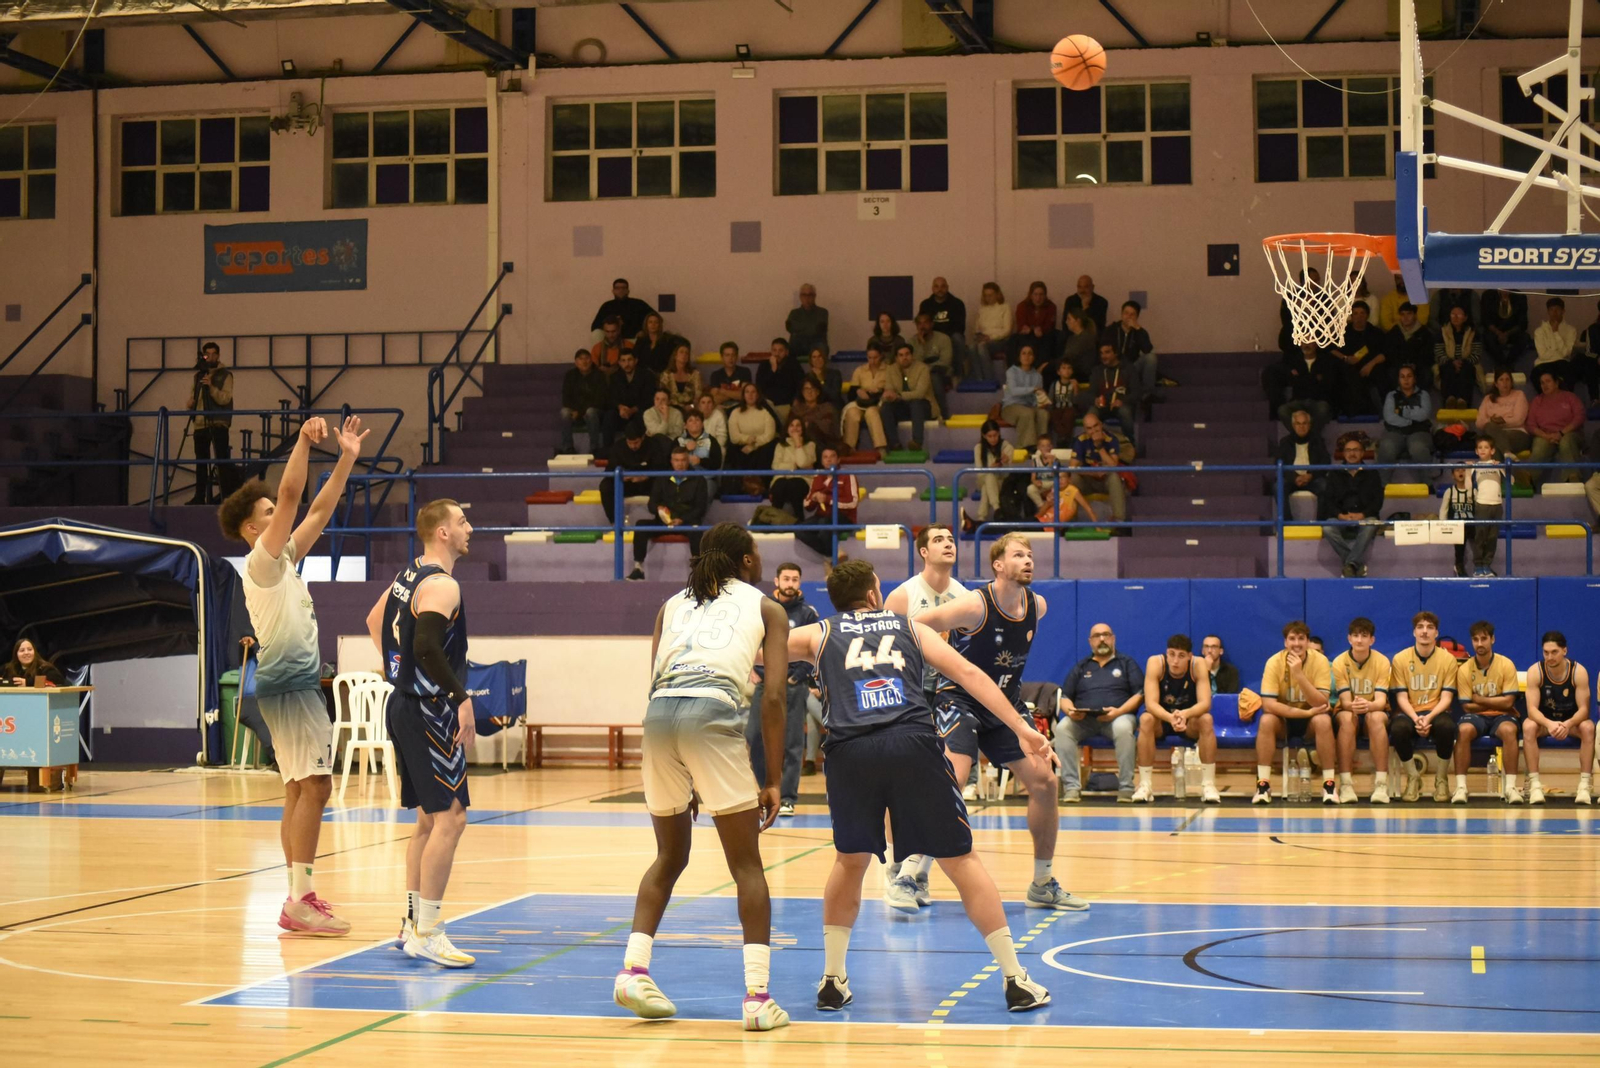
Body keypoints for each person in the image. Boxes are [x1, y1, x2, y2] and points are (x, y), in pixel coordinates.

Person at [791, 558, 1052, 1013]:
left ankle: (833, 979)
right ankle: (1015, 979)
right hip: (911, 744)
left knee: (849, 863)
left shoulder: (818, 633)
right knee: (961, 861)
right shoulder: (908, 627)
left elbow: (754, 649)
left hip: (850, 753)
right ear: (873, 593)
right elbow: (971, 675)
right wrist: (1022, 728)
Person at [612, 523, 792, 1031]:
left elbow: (654, 681)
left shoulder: (670, 605)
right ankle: (758, 999)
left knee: (669, 855)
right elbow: (775, 698)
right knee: (746, 867)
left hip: (658, 719)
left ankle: (633, 970)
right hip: (711, 717)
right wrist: (773, 778)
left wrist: (684, 772)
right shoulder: (766, 607)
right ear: (750, 562)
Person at [220, 414, 368, 938]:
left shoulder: (283, 561)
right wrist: (304, 444)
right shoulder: (261, 561)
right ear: (253, 529)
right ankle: (300, 899)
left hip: (283, 687)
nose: (281, 515)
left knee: (297, 789)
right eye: (268, 514)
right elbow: (289, 494)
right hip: (290, 686)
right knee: (318, 786)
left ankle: (295, 895)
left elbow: (320, 507)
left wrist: (346, 455)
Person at [916, 535, 1083, 909]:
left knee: (1044, 781)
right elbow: (916, 624)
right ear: (998, 565)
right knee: (954, 777)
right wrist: (941, 655)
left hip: (1004, 705)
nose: (1028, 561)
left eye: (1030, 555)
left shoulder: (1037, 606)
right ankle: (915, 871)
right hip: (958, 697)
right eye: (1018, 555)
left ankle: (1043, 882)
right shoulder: (975, 605)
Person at [363, 498, 476, 966]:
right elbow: (428, 644)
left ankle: (412, 923)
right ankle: (428, 930)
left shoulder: (408, 575)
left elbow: (374, 622)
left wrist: (398, 669)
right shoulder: (443, 585)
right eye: (462, 521)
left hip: (403, 704)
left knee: (428, 822)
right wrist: (460, 697)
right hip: (430, 709)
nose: (470, 528)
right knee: (451, 818)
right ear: (443, 533)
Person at [883, 523, 967, 910]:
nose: (947, 544)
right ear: (922, 552)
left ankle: (914, 873)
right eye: (938, 540)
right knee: (900, 789)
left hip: (948, 699)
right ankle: (896, 864)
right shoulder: (902, 596)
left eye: (951, 539)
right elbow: (883, 655)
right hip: (907, 699)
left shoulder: (966, 597)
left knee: (947, 784)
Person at [744, 562, 821, 819]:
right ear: (776, 581)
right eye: (786, 579)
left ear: (800, 582)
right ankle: (766, 787)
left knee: (792, 743)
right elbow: (749, 641)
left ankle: (787, 797)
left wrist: (796, 677)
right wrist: (750, 668)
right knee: (754, 736)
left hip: (794, 687)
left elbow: (814, 650)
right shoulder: (763, 609)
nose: (790, 584)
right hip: (766, 685)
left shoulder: (808, 613)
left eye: (795, 579)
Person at [1240, 620, 1333, 804]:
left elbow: (1321, 702)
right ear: (1285, 642)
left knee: (1324, 721)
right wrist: (1305, 714)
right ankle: (1263, 785)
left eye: (1301, 638)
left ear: (1307, 642)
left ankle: (1329, 785)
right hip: (1285, 719)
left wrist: (1299, 675)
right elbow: (1268, 705)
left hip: (1312, 720)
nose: (1296, 643)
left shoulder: (1320, 661)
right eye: (1292, 639)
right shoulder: (1274, 662)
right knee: (1266, 720)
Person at [1051, 620, 1141, 804]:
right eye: (1097, 636)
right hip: (1084, 720)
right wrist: (1071, 712)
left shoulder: (1126, 663)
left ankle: (1126, 787)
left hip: (1118, 717)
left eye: (1106, 635)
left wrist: (1118, 712)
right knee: (1062, 729)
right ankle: (1072, 788)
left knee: (1124, 728)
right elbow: (1065, 696)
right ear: (1090, 641)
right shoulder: (1082, 666)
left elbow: (1140, 694)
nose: (1102, 639)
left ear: (1113, 639)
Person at [1134, 635, 1218, 803]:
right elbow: (1150, 704)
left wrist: (1185, 714)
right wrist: (1170, 717)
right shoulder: (1155, 663)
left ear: (1189, 656)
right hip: (1162, 719)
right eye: (1171, 654)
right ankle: (1145, 785)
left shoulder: (1198, 664)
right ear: (1166, 654)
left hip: (1189, 720)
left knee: (1206, 719)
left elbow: (1205, 703)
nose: (1175, 661)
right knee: (1145, 719)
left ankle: (1208, 784)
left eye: (1180, 656)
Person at [1388, 610, 1459, 804]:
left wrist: (1427, 718)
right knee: (1398, 728)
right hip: (1410, 711)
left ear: (1437, 632)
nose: (1425, 632)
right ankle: (1413, 777)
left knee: (1447, 727)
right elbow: (1401, 697)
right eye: (1420, 627)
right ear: (1414, 632)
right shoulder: (1401, 659)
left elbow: (1446, 698)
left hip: (1436, 711)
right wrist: (1416, 718)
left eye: (1430, 627)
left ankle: (1441, 779)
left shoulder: (1448, 660)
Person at [1520, 630, 1593, 806]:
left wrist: (1568, 724)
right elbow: (1531, 710)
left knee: (1589, 727)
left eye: (1554, 652)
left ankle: (1584, 785)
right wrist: (1549, 724)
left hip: (1572, 722)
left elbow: (1584, 710)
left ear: (1564, 651)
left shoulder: (1578, 672)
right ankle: (1535, 784)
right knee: (1528, 725)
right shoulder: (1535, 671)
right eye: (1546, 652)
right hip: (1545, 723)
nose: (1550, 657)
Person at [1454, 621, 1522, 805]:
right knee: (1463, 730)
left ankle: (1510, 788)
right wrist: (1498, 703)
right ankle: (1461, 787)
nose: (1479, 643)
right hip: (1479, 717)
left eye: (1484, 638)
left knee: (1509, 731)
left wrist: (1481, 700)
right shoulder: (1464, 669)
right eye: (1475, 639)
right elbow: (1467, 707)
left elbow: (1509, 701)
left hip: (1502, 717)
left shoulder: (1506, 664)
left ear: (1492, 639)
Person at [1330, 617, 1393, 804]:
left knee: (1376, 718)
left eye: (1364, 636)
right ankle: (1347, 784)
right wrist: (1355, 706)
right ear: (1349, 638)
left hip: (1373, 708)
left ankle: (1381, 784)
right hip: (1349, 709)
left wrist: (1368, 705)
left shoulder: (1382, 661)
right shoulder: (1339, 662)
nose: (1359, 640)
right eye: (1355, 635)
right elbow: (1345, 701)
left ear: (1371, 640)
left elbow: (1381, 701)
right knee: (1348, 719)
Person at [629, 447, 709, 582]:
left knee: (696, 530)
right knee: (640, 525)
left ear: (688, 460)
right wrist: (659, 509)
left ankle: (698, 571)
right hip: (663, 521)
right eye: (676, 460)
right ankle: (638, 568)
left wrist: (682, 519)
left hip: (687, 521)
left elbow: (700, 508)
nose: (680, 464)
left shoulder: (699, 480)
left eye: (683, 460)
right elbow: (651, 504)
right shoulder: (662, 479)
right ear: (671, 461)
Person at [1320, 435, 1383, 577]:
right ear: (1343, 454)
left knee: (1371, 524)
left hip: (1364, 516)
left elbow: (1378, 501)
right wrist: (1340, 515)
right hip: (1341, 517)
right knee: (1328, 527)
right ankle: (1355, 565)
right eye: (1348, 450)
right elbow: (1328, 500)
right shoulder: (1334, 474)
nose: (1352, 453)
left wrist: (1363, 514)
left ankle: (1349, 565)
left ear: (1362, 453)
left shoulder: (1372, 473)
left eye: (1355, 450)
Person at [187, 341, 234, 505]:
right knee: (201, 462)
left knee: (221, 460)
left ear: (218, 355)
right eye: (207, 354)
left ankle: (225, 498)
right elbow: (195, 397)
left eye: (214, 354)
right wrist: (191, 404)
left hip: (218, 423)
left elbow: (225, 398)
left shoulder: (225, 375)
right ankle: (199, 497)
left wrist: (211, 387)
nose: (211, 357)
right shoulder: (198, 376)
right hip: (200, 423)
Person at [1068, 411, 1131, 526]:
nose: (1094, 431)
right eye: (1089, 428)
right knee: (1073, 479)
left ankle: (1119, 521)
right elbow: (1072, 467)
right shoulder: (1080, 440)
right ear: (1085, 430)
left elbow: (1113, 466)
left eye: (1096, 426)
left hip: (1105, 480)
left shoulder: (1111, 439)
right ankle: (1071, 521)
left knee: (1114, 477)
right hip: (1088, 480)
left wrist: (1099, 447)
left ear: (1101, 425)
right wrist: (1093, 473)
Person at [1526, 369, 1586, 486]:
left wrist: (1561, 433)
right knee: (1540, 443)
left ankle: (1572, 478)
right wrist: (1547, 436)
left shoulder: (1570, 397)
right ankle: (1528, 479)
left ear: (1556, 383)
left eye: (1548, 381)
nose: (1544, 385)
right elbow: (1531, 425)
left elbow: (1580, 416)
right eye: (1542, 383)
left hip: (1570, 434)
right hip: (1546, 435)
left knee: (1566, 441)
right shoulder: (1537, 401)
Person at [1377, 364, 1435, 483]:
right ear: (1398, 380)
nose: (1406, 379)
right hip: (1394, 432)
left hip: (1419, 432)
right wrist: (1409, 421)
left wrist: (1401, 411)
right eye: (1402, 376)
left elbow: (1423, 414)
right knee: (1386, 447)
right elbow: (1389, 417)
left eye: (1409, 376)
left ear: (1414, 378)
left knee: (1418, 448)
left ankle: (1427, 484)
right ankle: (1382, 486)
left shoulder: (1423, 395)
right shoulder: (1391, 395)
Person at [600, 420, 665, 524]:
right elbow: (609, 470)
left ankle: (663, 521)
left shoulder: (654, 445)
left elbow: (662, 468)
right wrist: (621, 476)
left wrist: (645, 476)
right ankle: (615, 522)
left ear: (643, 438)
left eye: (636, 442)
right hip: (627, 484)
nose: (633, 446)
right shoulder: (618, 447)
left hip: (648, 484)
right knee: (605, 486)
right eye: (629, 443)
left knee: (665, 483)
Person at [800, 446, 859, 557]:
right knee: (799, 529)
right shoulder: (817, 476)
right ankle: (833, 554)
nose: (829, 459)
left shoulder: (848, 475)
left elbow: (853, 502)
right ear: (822, 461)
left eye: (832, 456)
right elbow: (807, 505)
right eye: (825, 457)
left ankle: (831, 557)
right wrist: (814, 498)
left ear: (838, 460)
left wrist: (828, 500)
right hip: (822, 516)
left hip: (844, 517)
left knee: (824, 525)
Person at [1337, 301, 1388, 414]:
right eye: (1355, 313)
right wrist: (1345, 358)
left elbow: (1385, 353)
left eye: (1362, 313)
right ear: (1351, 316)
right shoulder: (1343, 332)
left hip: (1372, 367)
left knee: (1382, 373)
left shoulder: (1376, 332)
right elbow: (1331, 349)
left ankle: (1384, 410)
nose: (1359, 317)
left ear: (1367, 315)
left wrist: (1371, 365)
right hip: (1349, 366)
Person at [1464, 434, 1504, 577]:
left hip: (1497, 505)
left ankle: (1487, 565)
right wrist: (1468, 471)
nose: (1482, 450)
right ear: (1476, 451)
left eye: (1486, 447)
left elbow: (1511, 481)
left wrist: (1503, 466)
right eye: (1480, 447)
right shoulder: (1475, 466)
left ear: (1492, 451)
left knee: (1492, 537)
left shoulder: (1498, 465)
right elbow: (1468, 487)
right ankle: (1478, 567)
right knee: (1480, 537)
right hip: (1481, 504)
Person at [884, 343, 935, 451]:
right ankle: (895, 444)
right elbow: (889, 388)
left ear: (912, 356)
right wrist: (889, 395)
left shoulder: (922, 368)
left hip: (922, 406)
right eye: (901, 355)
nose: (905, 358)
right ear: (896, 358)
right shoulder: (890, 370)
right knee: (885, 407)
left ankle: (917, 442)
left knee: (916, 403)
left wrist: (899, 396)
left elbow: (920, 393)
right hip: (901, 406)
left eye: (907, 354)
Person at [1275, 342, 1337, 432]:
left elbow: (1326, 385)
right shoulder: (1295, 361)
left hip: (1317, 401)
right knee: (1282, 410)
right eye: (1304, 342)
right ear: (1300, 344)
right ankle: (1299, 436)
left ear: (1316, 344)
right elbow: (1293, 382)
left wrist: (1301, 378)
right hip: (1298, 400)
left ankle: (1308, 437)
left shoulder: (1324, 362)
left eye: (1310, 342)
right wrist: (1314, 378)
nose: (1306, 345)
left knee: (1323, 409)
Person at [1104, 300, 1156, 403]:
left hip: (1132, 368)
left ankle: (1146, 395)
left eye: (1132, 314)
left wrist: (1137, 328)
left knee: (1151, 358)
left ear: (1137, 317)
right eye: (1126, 313)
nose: (1129, 317)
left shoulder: (1139, 332)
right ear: (1122, 314)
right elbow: (1103, 350)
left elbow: (1147, 349)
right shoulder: (1112, 329)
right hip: (1114, 369)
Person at [841, 344, 890, 452]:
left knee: (871, 413)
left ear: (881, 356)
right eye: (870, 358)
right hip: (861, 402)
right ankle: (849, 447)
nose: (872, 361)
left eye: (875, 357)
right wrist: (859, 391)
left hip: (878, 402)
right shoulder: (860, 370)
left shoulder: (888, 370)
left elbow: (891, 389)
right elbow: (851, 393)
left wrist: (879, 392)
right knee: (852, 413)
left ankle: (880, 447)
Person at [560, 348, 609, 454]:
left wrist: (580, 412)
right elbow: (566, 397)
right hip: (576, 412)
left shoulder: (600, 375)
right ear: (576, 362)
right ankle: (568, 447)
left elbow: (600, 400)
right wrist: (576, 411)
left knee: (590, 412)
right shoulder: (570, 376)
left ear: (591, 360)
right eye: (581, 359)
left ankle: (594, 447)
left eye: (587, 358)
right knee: (564, 412)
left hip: (596, 411)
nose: (584, 361)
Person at [1276, 407, 1330, 502]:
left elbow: (1326, 461)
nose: (1301, 427)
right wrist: (1295, 477)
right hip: (1291, 479)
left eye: (1304, 423)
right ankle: (1286, 517)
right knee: (1278, 487)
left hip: (1313, 478)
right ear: (1293, 425)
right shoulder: (1285, 442)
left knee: (1325, 486)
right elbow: (1278, 463)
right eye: (1298, 423)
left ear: (1309, 425)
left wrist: (1310, 476)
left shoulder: (1318, 441)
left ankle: (1321, 517)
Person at [1434, 305, 1483, 408]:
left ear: (1465, 317)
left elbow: (1476, 354)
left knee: (1467, 369)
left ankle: (1463, 401)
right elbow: (1439, 353)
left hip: (1467, 363)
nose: (1455, 317)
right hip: (1447, 362)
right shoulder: (1442, 332)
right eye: (1453, 314)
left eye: (1459, 314)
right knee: (1448, 368)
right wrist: (1452, 362)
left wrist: (1461, 363)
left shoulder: (1474, 333)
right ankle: (1449, 400)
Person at [970, 419, 1017, 525]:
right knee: (989, 476)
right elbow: (979, 472)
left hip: (1002, 480)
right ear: (984, 436)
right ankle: (997, 509)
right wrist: (991, 468)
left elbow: (1007, 474)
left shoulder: (1007, 446)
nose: (993, 439)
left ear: (999, 433)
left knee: (987, 487)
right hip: (983, 479)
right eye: (989, 436)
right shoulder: (978, 448)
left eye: (995, 435)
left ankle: (981, 518)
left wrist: (1004, 463)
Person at [1086, 342, 1137, 438]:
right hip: (1102, 406)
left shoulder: (1128, 369)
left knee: (1125, 411)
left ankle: (1130, 442)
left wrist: (1123, 401)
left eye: (1107, 352)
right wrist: (1095, 400)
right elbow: (1091, 393)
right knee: (1091, 414)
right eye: (1101, 353)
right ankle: (1092, 443)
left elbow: (1136, 393)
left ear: (1115, 353)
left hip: (1121, 405)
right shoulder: (1097, 371)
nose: (1103, 356)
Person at [604, 350, 658, 443]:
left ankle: (640, 446)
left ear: (636, 361)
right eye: (623, 361)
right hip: (621, 412)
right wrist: (620, 407)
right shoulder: (615, 377)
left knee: (643, 415)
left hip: (639, 410)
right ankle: (608, 449)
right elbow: (610, 397)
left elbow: (650, 398)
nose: (627, 364)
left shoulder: (646, 375)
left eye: (629, 360)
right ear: (619, 363)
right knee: (609, 415)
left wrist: (632, 410)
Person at [1001, 344, 1048, 449]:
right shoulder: (1012, 371)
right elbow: (1013, 391)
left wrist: (1041, 402)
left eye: (1030, 353)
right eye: (1024, 353)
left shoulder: (1037, 376)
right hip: (1011, 407)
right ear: (1019, 356)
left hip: (1029, 407)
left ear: (1034, 357)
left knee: (1043, 414)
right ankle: (1025, 446)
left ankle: (1042, 446)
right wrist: (1033, 389)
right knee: (1027, 413)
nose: (1027, 356)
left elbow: (1035, 398)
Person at [769, 417, 817, 519]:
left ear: (803, 429)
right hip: (782, 478)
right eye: (791, 425)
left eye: (798, 425)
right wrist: (792, 466)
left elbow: (802, 463)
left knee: (794, 485)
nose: (795, 428)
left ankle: (799, 520)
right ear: (787, 429)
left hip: (803, 480)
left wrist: (798, 444)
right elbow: (776, 466)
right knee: (780, 485)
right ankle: (773, 520)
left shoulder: (810, 445)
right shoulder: (780, 446)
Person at [919, 277, 967, 377]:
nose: (940, 289)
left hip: (951, 336)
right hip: (932, 336)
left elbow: (960, 327)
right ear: (932, 288)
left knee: (958, 338)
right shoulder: (925, 305)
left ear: (947, 287)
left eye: (943, 286)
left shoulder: (957, 303)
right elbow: (921, 324)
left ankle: (958, 375)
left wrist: (943, 337)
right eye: (936, 286)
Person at [1476, 369, 1530, 456]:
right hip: (1494, 432)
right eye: (1501, 380)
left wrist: (1503, 421)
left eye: (1507, 379)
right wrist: (1491, 420)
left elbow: (1518, 420)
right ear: (1496, 384)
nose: (1505, 383)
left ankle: (1502, 461)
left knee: (1493, 444)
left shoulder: (1519, 395)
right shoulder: (1488, 399)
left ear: (1511, 382)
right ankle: (1507, 454)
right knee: (1490, 428)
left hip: (1517, 434)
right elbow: (1479, 422)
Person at [729, 383, 779, 473]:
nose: (750, 395)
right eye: (747, 392)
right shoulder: (735, 413)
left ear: (758, 395)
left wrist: (754, 446)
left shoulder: (765, 412)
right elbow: (734, 437)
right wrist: (747, 439)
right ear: (743, 395)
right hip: (741, 447)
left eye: (753, 392)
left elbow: (769, 435)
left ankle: (760, 483)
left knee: (768, 449)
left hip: (761, 448)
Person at [1384, 303, 1436, 389]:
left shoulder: (1424, 333)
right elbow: (1390, 352)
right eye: (1402, 314)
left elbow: (1428, 353)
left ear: (1415, 315)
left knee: (1426, 374)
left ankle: (1419, 397)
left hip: (1418, 366)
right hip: (1398, 366)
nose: (1405, 317)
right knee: (1390, 373)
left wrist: (1415, 364)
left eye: (1409, 314)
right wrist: (1402, 365)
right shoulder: (1394, 332)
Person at [970, 281, 1011, 384]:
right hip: (984, 339)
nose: (988, 298)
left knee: (982, 347)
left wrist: (990, 337)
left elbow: (1007, 330)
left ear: (997, 295)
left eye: (991, 295)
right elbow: (976, 328)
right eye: (986, 295)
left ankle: (989, 379)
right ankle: (979, 378)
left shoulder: (1005, 307)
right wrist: (978, 335)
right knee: (971, 347)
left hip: (1000, 340)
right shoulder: (982, 309)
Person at [1480, 288, 1530, 372]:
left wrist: (1507, 334)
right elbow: (1486, 320)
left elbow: (1523, 323)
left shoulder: (1520, 296)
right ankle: (1501, 363)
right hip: (1494, 331)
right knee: (1487, 337)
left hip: (1512, 331)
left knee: (1524, 338)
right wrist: (1498, 333)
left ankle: (1508, 363)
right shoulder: (1488, 295)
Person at [1533, 296, 1577, 388]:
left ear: (1563, 311)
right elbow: (1542, 354)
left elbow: (1566, 353)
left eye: (1557, 309)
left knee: (1569, 372)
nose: (1554, 313)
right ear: (1548, 312)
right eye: (1551, 310)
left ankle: (1565, 400)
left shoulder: (1571, 330)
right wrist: (1558, 353)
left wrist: (1556, 332)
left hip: (1562, 363)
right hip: (1543, 364)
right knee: (1535, 375)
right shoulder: (1539, 331)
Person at [755, 338, 803, 423]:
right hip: (767, 405)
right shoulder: (764, 365)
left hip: (787, 404)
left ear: (786, 352)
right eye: (774, 350)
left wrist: (797, 399)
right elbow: (759, 386)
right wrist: (773, 370)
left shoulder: (793, 364)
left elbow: (801, 384)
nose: (777, 354)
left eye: (780, 350)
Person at [789, 375, 840, 454]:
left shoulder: (827, 407)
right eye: (806, 389)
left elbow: (827, 428)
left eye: (812, 388)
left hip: (824, 441)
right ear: (802, 392)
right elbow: (789, 427)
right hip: (799, 441)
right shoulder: (796, 409)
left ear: (818, 392)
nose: (809, 392)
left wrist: (809, 424)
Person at [1012, 281, 1057, 366]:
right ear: (1030, 295)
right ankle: (1017, 369)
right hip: (1026, 335)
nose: (1038, 298)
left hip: (1043, 336)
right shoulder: (1022, 306)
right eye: (1035, 294)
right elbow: (1021, 325)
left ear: (1045, 295)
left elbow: (1050, 325)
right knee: (1013, 340)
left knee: (1050, 339)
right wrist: (1027, 329)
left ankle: (1041, 368)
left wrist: (1041, 330)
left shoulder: (1051, 306)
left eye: (1041, 294)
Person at [909, 313, 953, 397]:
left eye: (925, 323)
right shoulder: (912, 342)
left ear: (931, 324)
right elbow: (914, 364)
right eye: (919, 323)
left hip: (941, 373)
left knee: (934, 376)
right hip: (920, 374)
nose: (922, 326)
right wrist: (921, 345)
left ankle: (941, 409)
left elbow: (945, 362)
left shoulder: (943, 338)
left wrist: (927, 368)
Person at [1046, 356, 1085, 442]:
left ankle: (1064, 439)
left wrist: (1076, 389)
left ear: (1072, 370)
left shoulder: (1074, 384)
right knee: (1054, 416)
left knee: (1068, 414)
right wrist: (1050, 410)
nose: (1066, 371)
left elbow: (1077, 403)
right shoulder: (1054, 384)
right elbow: (1050, 401)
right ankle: (1062, 437)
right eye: (1063, 368)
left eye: (1069, 368)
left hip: (1071, 409)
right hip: (1058, 409)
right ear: (1058, 372)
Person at [786, 283, 829, 357]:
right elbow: (790, 328)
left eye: (810, 295)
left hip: (816, 345)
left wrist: (800, 328)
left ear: (814, 296)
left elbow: (819, 329)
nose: (807, 298)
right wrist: (811, 326)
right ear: (800, 297)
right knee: (789, 346)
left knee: (822, 347)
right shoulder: (794, 313)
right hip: (798, 345)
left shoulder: (823, 312)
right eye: (804, 295)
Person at [659, 342, 703, 412]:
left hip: (690, 408)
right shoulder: (666, 375)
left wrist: (692, 406)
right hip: (671, 409)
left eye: (686, 353)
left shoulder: (695, 374)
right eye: (681, 352)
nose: (684, 355)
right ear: (675, 355)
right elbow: (662, 394)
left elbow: (698, 395)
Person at [1059, 307, 1098, 384]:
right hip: (1072, 370)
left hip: (1082, 374)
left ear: (1078, 321)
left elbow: (1070, 356)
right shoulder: (1071, 338)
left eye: (1069, 319)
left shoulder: (1086, 337)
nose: (1066, 322)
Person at [633, 312, 678, 376]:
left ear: (659, 325)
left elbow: (670, 361)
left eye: (656, 322)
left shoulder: (666, 341)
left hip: (661, 375)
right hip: (643, 375)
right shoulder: (641, 340)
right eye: (650, 322)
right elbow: (635, 357)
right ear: (646, 325)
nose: (653, 325)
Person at [709, 342, 752, 410]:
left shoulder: (745, 372)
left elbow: (745, 395)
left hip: (740, 407)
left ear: (737, 357)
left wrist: (724, 392)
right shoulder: (715, 375)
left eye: (733, 355)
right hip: (722, 408)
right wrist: (736, 393)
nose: (730, 358)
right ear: (722, 357)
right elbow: (714, 399)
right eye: (727, 355)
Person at [679, 409, 723, 473]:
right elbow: (671, 462)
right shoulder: (678, 440)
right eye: (690, 420)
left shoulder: (711, 440)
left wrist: (700, 461)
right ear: (685, 425)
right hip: (683, 478)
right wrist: (685, 449)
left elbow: (717, 464)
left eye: (697, 420)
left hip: (706, 479)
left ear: (702, 424)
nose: (694, 422)